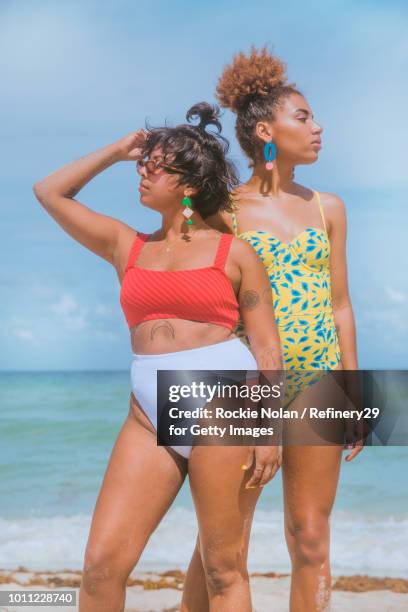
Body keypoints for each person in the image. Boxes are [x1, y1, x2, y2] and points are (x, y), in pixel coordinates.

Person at [33, 102, 283, 612]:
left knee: (222, 568)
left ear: (188, 185)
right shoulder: (128, 246)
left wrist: (268, 430)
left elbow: (266, 345)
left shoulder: (233, 253)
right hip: (148, 411)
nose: (143, 172)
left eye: (156, 165)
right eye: (144, 163)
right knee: (102, 568)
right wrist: (118, 151)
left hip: (226, 404)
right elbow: (49, 192)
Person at [183, 48, 363, 611]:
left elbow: (340, 305)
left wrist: (353, 392)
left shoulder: (327, 207)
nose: (318, 127)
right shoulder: (221, 212)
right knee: (224, 541)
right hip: (246, 385)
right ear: (266, 130)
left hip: (320, 385)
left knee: (310, 537)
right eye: (304, 117)